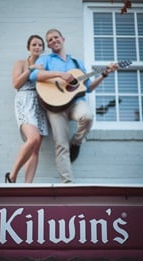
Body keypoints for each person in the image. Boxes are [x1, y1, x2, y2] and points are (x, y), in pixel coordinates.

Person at [30, 29, 118, 183]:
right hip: (55, 106)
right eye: (50, 40)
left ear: (63, 39)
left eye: (56, 37)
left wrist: (104, 74)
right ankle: (67, 183)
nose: (53, 41)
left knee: (87, 117)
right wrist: (58, 74)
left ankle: (76, 142)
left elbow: (88, 87)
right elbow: (34, 76)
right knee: (61, 144)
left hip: (76, 102)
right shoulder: (45, 60)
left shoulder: (77, 63)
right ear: (48, 44)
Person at [5, 35, 48, 183]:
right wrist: (31, 69)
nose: (37, 47)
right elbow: (16, 84)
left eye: (40, 45)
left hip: (41, 106)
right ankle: (12, 175)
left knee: (35, 149)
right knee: (33, 138)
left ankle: (28, 186)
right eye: (34, 44)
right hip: (25, 101)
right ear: (28, 47)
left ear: (43, 48)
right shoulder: (21, 63)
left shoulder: (45, 65)